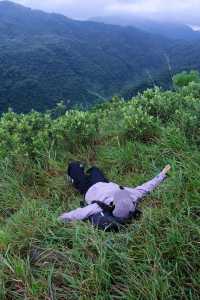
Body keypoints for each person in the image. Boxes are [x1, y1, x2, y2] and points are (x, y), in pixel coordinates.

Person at [59, 161, 171, 231]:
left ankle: (74, 179)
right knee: (94, 169)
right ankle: (85, 170)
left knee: (74, 167)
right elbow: (146, 187)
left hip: (87, 188)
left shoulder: (101, 206)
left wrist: (60, 219)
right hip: (102, 182)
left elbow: (78, 213)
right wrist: (162, 175)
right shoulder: (132, 196)